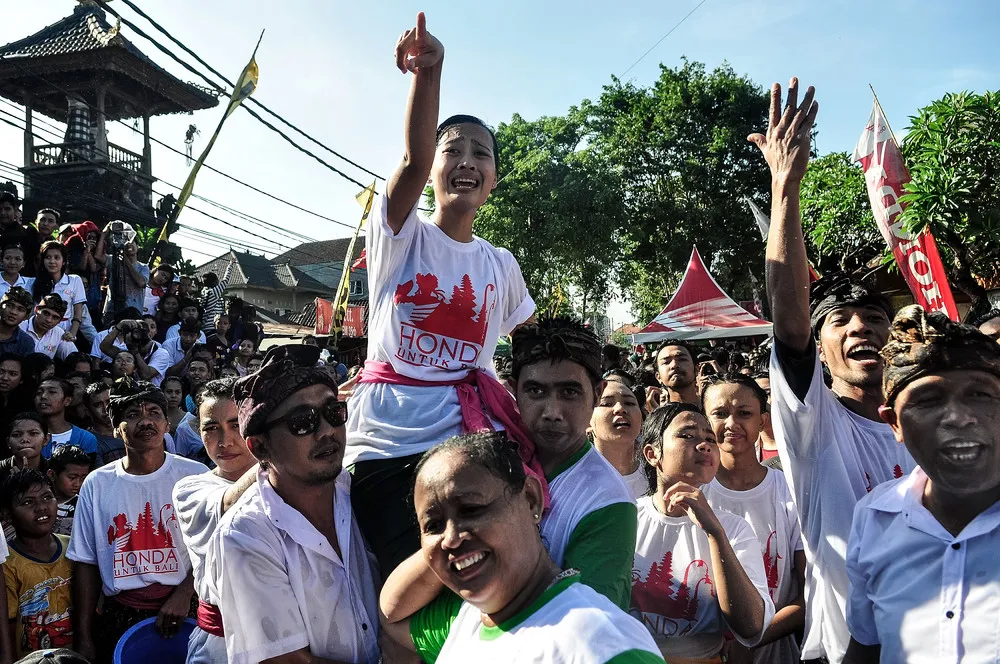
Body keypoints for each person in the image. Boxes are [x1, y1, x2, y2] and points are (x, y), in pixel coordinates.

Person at [345, 12, 536, 579]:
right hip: (386, 449)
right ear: (434, 166)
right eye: (454, 150)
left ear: (495, 178)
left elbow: (528, 353)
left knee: (482, 588)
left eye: (482, 154)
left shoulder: (500, 264)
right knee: (409, 594)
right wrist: (429, 73)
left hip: (469, 453)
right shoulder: (399, 235)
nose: (468, 163)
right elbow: (409, 158)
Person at [750, 78, 916, 663]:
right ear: (819, 349)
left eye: (875, 318)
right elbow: (789, 319)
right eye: (841, 319)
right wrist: (784, 188)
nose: (863, 328)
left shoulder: (924, 429)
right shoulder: (813, 426)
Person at [380, 432, 665, 663]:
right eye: (433, 525)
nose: (451, 538)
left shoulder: (602, 646)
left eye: (471, 509)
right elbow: (391, 616)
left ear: (531, 500)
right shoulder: (468, 621)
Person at [845, 306, 1000, 664]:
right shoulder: (873, 518)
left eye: (980, 395)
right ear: (894, 424)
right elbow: (865, 646)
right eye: (928, 400)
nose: (960, 418)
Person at [212, 344, 380, 663]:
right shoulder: (245, 537)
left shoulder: (363, 491)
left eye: (333, 413)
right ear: (260, 447)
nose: (327, 431)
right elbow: (286, 661)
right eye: (303, 421)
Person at [67, 378, 205, 662]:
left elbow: (215, 548)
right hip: (120, 612)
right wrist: (83, 636)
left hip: (185, 605)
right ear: (117, 429)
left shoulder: (195, 475)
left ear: (168, 425)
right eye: (132, 415)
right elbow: (85, 562)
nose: (145, 422)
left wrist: (184, 594)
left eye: (154, 413)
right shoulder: (97, 483)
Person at [632, 403, 775, 662]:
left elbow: (752, 626)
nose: (704, 445)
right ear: (653, 453)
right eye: (687, 436)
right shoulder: (628, 518)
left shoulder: (732, 529)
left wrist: (715, 534)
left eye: (710, 439)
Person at [510, 317, 637, 608]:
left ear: (597, 393)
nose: (552, 411)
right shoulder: (493, 464)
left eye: (569, 392)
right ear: (514, 390)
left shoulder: (607, 501)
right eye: (535, 391)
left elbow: (585, 624)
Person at [700, 374, 805, 664]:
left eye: (744, 413)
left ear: (762, 421)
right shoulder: (694, 495)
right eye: (720, 414)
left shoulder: (790, 491)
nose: (732, 424)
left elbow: (812, 592)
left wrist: (751, 638)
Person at [172, 377, 257, 664]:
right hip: (219, 646)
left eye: (236, 424)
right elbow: (231, 503)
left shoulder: (288, 480)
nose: (226, 441)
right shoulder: (190, 489)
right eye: (212, 428)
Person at [2, 468, 73, 659]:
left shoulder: (72, 547)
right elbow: (7, 623)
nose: (41, 507)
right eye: (27, 502)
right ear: (7, 515)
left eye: (46, 497)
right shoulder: (7, 563)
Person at [591, 375, 647, 499]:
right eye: (606, 403)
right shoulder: (572, 478)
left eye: (629, 403)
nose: (620, 409)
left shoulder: (660, 473)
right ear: (586, 420)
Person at [31, 241, 91, 344]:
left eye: (56, 257)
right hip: (38, 331)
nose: (52, 261)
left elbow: (78, 312)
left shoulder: (74, 280)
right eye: (48, 257)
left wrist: (72, 334)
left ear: (63, 261)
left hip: (64, 334)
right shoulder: (33, 282)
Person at [34, 379, 98, 463]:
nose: (43, 396)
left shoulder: (85, 438)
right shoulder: (29, 436)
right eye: (39, 393)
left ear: (67, 401)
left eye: (52, 392)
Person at [99, 318, 172, 386]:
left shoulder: (161, 353)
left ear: (149, 335)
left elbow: (146, 375)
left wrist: (135, 351)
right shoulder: (128, 349)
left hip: (152, 395)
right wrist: (119, 326)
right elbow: (104, 347)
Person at [47, 444, 91, 538]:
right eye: (72, 477)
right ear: (52, 475)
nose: (78, 483)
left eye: (83, 478)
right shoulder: (41, 503)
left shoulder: (83, 507)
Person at [19, 295, 76, 361]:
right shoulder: (20, 327)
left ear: (59, 321)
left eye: (55, 318)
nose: (49, 320)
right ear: (36, 310)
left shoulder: (59, 334)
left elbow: (75, 359)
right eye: (46, 313)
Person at [0, 189, 40, 278]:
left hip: (24, 284)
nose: (2, 213)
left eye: (7, 209)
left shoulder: (28, 232)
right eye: (0, 209)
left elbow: (38, 260)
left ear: (15, 210)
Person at [83, 381, 124, 464]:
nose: (106, 409)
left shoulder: (130, 430)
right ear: (88, 411)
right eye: (98, 405)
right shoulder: (88, 441)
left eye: (109, 402)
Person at [0, 413, 50, 478]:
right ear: (8, 442)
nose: (25, 439)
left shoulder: (55, 470)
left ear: (45, 440)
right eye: (16, 435)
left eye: (33, 433)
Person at [654, 340, 699, 405]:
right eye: (666, 362)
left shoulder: (713, 407)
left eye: (682, 359)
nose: (674, 365)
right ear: (658, 377)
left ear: (697, 369)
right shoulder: (655, 413)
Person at [0, 357, 33, 446]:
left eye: (12, 374)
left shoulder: (27, 404)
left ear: (21, 379)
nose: (4, 378)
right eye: (1, 372)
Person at [0, 288, 36, 358]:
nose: (13, 312)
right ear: (1, 307)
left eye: (20, 309)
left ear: (26, 316)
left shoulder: (26, 342)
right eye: (10, 306)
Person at [199, 263, 232, 336]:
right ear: (215, 281)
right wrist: (230, 265)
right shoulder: (213, 292)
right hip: (212, 328)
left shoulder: (204, 293)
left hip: (205, 328)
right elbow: (225, 281)